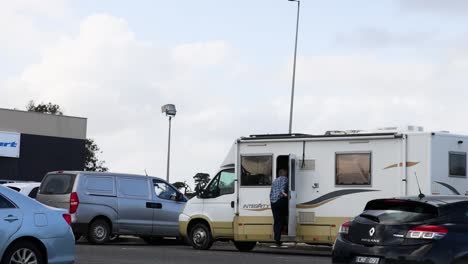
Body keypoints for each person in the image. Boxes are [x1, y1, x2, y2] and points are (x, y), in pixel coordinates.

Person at [269, 168, 289, 247]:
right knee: (283, 217)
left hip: (273, 202)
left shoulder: (275, 180)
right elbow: (282, 189)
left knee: (276, 220)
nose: (287, 172)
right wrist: (286, 195)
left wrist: (272, 200)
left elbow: (271, 193)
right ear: (282, 173)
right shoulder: (284, 178)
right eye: (286, 171)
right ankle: (285, 229)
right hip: (280, 200)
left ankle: (277, 239)